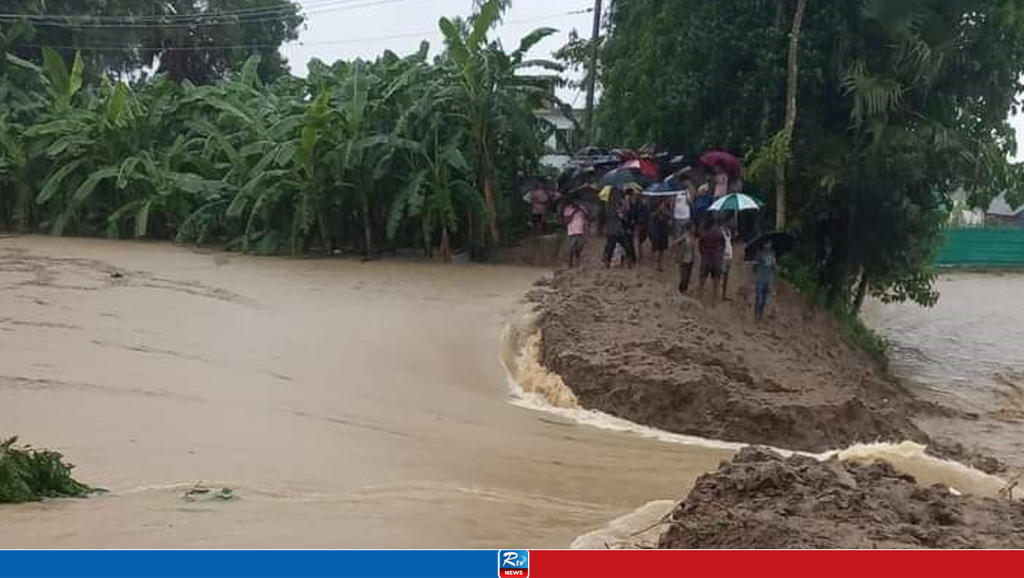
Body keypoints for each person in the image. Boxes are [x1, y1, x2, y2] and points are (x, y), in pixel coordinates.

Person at [603, 188, 637, 268]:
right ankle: (608, 262)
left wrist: (622, 212)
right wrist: (619, 213)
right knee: (614, 246)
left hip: (617, 228)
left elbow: (625, 215)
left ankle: (628, 261)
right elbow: (614, 216)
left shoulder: (618, 203)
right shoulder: (610, 206)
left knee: (624, 245)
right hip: (614, 228)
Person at [698, 216, 726, 298]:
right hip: (716, 257)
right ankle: (715, 297)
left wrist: (703, 253)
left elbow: (700, 245)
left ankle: (700, 294)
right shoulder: (719, 233)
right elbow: (723, 245)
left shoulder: (705, 233)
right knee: (716, 279)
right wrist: (720, 253)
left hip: (706, 256)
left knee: (702, 278)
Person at [563, 197, 590, 268]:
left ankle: (577, 260)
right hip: (572, 231)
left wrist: (581, 210)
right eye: (574, 200)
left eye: (577, 200)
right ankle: (570, 262)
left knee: (579, 247)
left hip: (581, 230)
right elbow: (566, 221)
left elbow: (588, 216)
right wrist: (573, 212)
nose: (576, 202)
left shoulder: (582, 207)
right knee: (571, 248)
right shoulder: (567, 209)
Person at [754, 242, 776, 321]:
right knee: (758, 296)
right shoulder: (759, 253)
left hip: (768, 278)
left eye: (769, 242)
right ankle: (756, 313)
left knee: (765, 298)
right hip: (760, 277)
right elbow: (755, 265)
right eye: (766, 242)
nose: (768, 244)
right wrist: (757, 265)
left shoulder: (772, 253)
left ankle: (761, 312)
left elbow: (774, 267)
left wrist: (774, 265)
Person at [648, 198, 672, 272]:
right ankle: (653, 263)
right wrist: (658, 210)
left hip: (664, 230)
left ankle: (659, 264)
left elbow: (670, 217)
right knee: (655, 247)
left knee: (662, 249)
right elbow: (652, 216)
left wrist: (665, 211)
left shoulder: (667, 208)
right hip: (656, 229)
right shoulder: (654, 206)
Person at [676, 223, 697, 294]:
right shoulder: (684, 237)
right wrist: (678, 254)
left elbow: (694, 249)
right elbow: (675, 243)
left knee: (687, 278)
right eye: (693, 228)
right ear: (689, 229)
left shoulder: (692, 237)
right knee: (684, 277)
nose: (694, 229)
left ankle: (683, 290)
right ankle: (681, 290)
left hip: (690, 260)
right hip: (684, 260)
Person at [721, 224, 733, 300]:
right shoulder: (721, 233)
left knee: (726, 276)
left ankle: (724, 294)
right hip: (724, 257)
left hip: (729, 257)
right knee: (722, 275)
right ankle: (720, 294)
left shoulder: (729, 232)